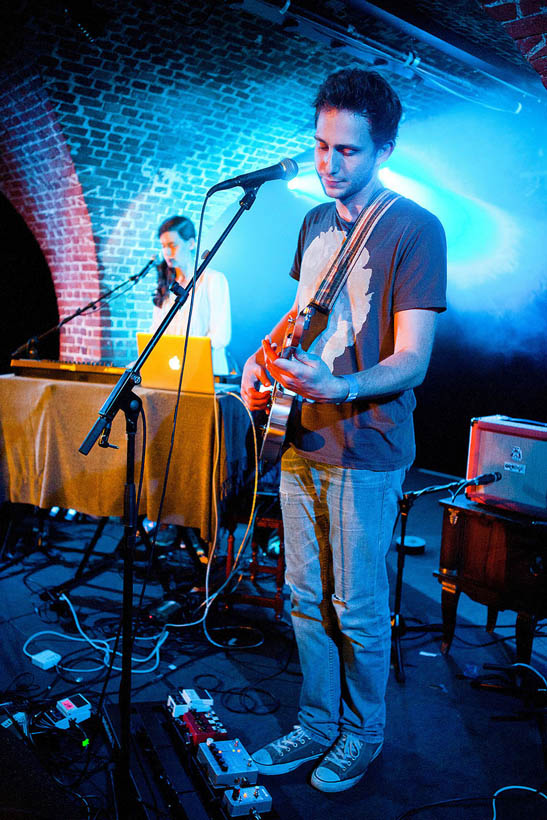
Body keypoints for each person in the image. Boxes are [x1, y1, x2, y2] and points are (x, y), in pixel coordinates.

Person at [241, 68, 447, 793]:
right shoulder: (312, 221)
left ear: (383, 151)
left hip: (366, 450)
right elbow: (302, 312)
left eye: (348, 151)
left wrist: (343, 385)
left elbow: (412, 359)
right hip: (298, 437)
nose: (329, 164)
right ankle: (316, 723)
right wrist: (258, 357)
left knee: (356, 609)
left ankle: (363, 734)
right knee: (303, 597)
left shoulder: (415, 229)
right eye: (322, 146)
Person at [151, 215, 232, 375]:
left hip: (204, 372)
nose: (166, 252)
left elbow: (220, 336)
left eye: (172, 245)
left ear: (190, 243)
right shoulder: (166, 285)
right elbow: (155, 331)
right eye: (163, 246)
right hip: (172, 370)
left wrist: (187, 356)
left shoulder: (213, 280)